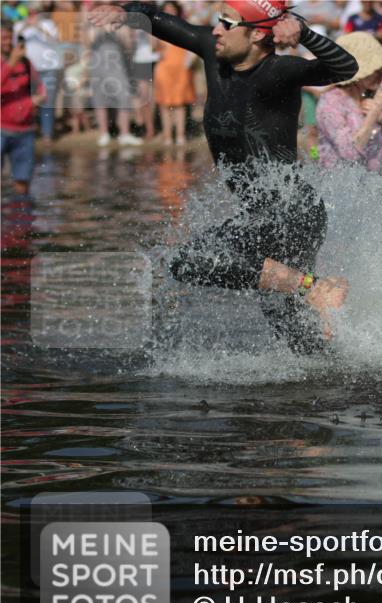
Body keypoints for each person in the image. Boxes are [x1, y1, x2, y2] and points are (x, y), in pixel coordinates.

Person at [89, 0, 360, 354]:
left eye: (228, 24)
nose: (216, 29)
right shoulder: (213, 52)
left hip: (293, 212)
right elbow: (157, 17)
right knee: (292, 329)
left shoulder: (280, 72)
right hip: (263, 216)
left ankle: (316, 288)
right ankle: (332, 367)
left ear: (259, 35)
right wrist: (124, 11)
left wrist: (305, 32)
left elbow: (345, 67)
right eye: (218, 21)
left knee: (188, 260)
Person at [316, 30, 382, 171]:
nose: (381, 72)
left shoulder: (373, 97)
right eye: (374, 68)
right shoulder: (330, 103)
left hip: (374, 186)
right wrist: (375, 112)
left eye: (380, 67)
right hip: (340, 188)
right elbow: (350, 153)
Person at [88, 1, 143, 147]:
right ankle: (103, 133)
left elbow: (129, 46)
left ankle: (124, 133)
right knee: (99, 99)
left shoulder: (119, 20)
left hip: (117, 66)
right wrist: (100, 29)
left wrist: (121, 34)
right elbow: (86, 42)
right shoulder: (91, 21)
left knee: (124, 96)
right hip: (97, 66)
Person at [2, 21, 46, 196]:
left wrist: (38, 98)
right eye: (2, 38)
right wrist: (10, 63)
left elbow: (40, 87)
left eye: (9, 38)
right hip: (1, 129)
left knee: (22, 183)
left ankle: (20, 219)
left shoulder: (25, 63)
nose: (7, 42)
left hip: (25, 131)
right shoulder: (13, 61)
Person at [13, 6, 61, 145]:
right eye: (30, 12)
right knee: (26, 102)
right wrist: (25, 27)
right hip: (28, 69)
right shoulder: (19, 26)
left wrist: (38, 27)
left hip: (49, 68)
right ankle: (27, 133)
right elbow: (15, 44)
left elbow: (55, 41)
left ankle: (47, 135)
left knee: (47, 101)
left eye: (34, 12)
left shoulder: (48, 24)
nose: (32, 15)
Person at [153, 0, 196, 146]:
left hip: (181, 67)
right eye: (167, 10)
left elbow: (193, 45)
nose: (170, 12)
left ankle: (180, 135)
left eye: (172, 9)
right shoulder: (156, 27)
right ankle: (166, 136)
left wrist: (189, 62)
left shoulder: (185, 25)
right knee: (164, 104)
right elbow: (153, 49)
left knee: (179, 103)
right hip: (164, 68)